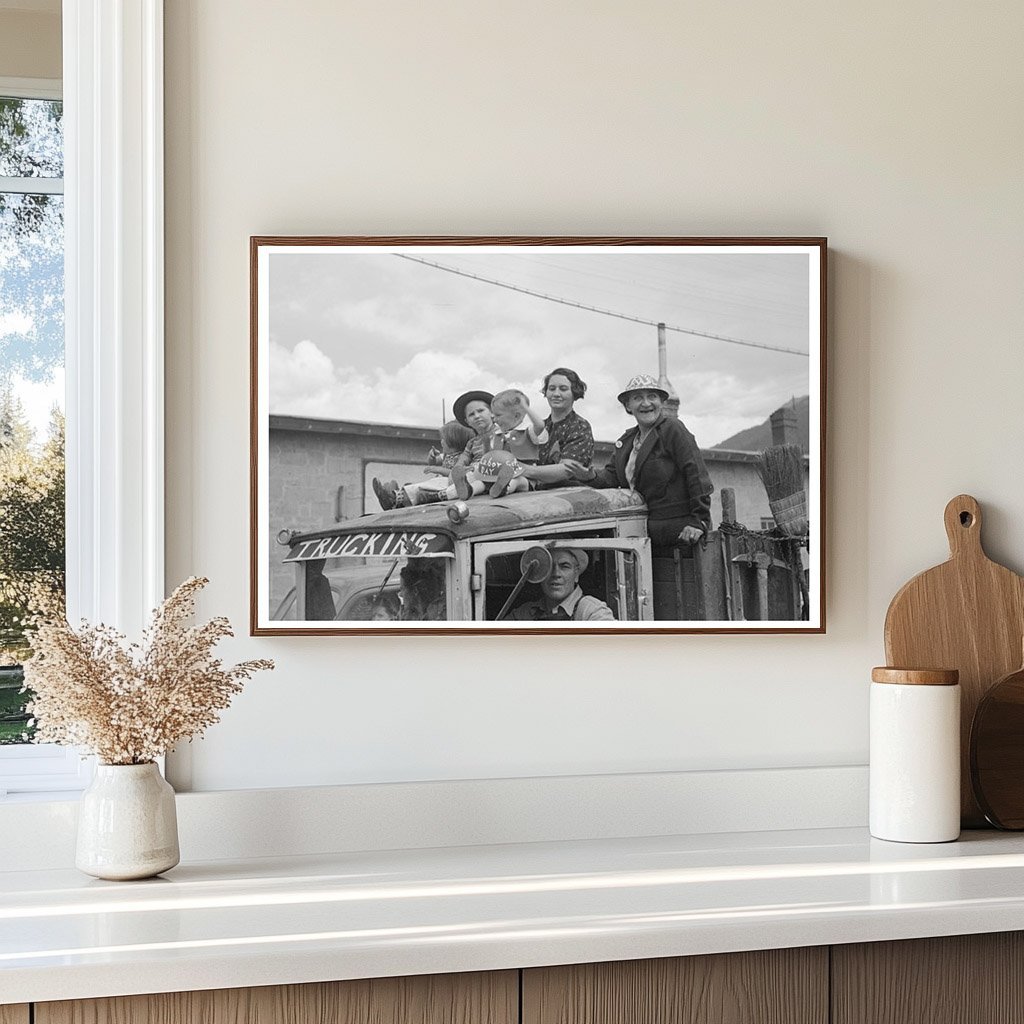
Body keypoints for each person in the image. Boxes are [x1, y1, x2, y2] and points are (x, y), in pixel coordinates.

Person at [566, 373, 712, 550]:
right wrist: (590, 476)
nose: (646, 403)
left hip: (682, 533)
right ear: (628, 405)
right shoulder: (627, 441)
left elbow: (696, 474)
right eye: (637, 398)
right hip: (645, 533)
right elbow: (611, 477)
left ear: (661, 401)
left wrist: (699, 521)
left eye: (652, 396)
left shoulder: (673, 429)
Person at [520, 367, 595, 490]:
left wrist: (523, 469)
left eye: (563, 389)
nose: (556, 394)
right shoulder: (538, 427)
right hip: (535, 493)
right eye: (551, 388)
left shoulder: (580, 426)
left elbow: (566, 470)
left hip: (570, 495)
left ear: (574, 392)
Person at [509, 548, 615, 621]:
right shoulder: (525, 613)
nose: (556, 574)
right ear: (540, 574)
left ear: (576, 573)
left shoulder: (593, 612)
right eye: (549, 567)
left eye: (564, 566)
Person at [489, 388, 548, 496]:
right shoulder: (497, 435)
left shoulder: (528, 432)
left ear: (516, 416)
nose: (494, 419)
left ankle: (503, 488)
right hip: (497, 475)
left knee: (517, 481)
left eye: (498, 415)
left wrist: (525, 407)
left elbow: (540, 425)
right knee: (479, 481)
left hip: (525, 477)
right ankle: (469, 489)